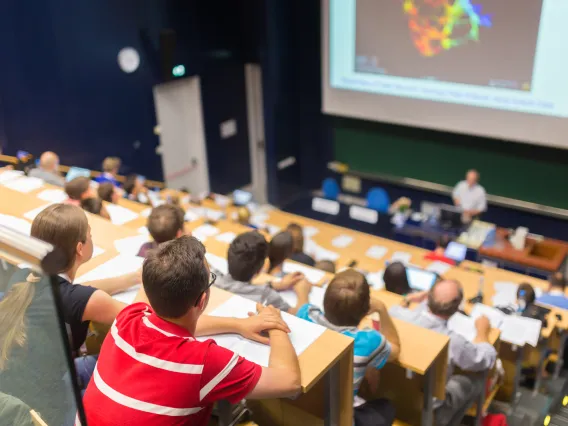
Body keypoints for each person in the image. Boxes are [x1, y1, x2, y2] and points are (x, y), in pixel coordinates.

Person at [82, 236, 302, 425]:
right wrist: (275, 323)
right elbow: (288, 381)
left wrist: (238, 325)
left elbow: (176, 326)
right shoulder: (204, 361)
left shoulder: (128, 317)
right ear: (202, 300)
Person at [0, 204, 138, 425]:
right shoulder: (81, 299)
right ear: (80, 248)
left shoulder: (24, 277)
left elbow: (82, 291)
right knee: (118, 365)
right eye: (90, 235)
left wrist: (132, 278)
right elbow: (146, 317)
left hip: (15, 389)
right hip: (44, 412)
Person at [297, 269, 400, 425]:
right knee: (386, 406)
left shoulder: (306, 314)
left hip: (300, 410)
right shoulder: (368, 340)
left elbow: (302, 307)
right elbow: (395, 349)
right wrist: (382, 309)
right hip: (336, 419)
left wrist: (302, 292)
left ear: (324, 301)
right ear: (366, 310)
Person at [390, 280, 497, 426]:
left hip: (392, 398)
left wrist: (408, 299)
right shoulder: (452, 342)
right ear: (456, 308)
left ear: (428, 297)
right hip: (426, 414)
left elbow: (396, 308)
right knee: (476, 381)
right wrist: (482, 331)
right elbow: (485, 359)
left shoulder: (395, 315)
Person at [215, 231, 308, 314]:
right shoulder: (265, 295)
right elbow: (296, 315)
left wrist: (276, 285)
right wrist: (303, 294)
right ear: (260, 269)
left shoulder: (212, 279)